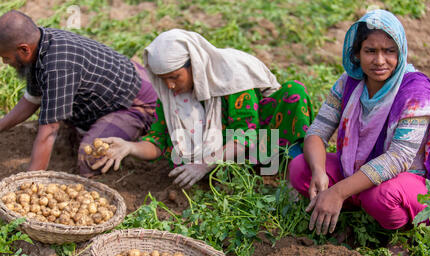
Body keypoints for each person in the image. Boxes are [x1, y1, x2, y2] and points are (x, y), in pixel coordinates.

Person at [288, 9, 430, 235]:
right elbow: (317, 132)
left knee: (380, 197)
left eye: (389, 51)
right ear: (357, 54)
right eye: (370, 51)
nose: (380, 60)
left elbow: (398, 158)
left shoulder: (415, 93)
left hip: (405, 181)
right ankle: (345, 207)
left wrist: (338, 191)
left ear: (401, 52)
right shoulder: (350, 83)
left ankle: (400, 233)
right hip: (355, 169)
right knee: (300, 168)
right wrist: (318, 172)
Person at [92, 29, 314, 188]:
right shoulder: (170, 94)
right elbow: (158, 141)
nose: (169, 85)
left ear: (194, 65)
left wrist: (203, 164)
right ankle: (229, 172)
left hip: (261, 140)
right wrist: (129, 147)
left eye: (175, 77)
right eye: (163, 79)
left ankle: (292, 168)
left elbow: (247, 134)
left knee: (294, 92)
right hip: (222, 155)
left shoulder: (230, 77)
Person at [0, 10, 158, 177]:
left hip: (135, 102)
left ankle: (134, 136)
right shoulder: (39, 43)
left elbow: (49, 131)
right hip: (113, 88)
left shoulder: (58, 65)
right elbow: (32, 99)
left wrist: (30, 181)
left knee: (90, 156)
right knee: (59, 121)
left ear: (24, 49)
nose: (5, 62)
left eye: (6, 57)